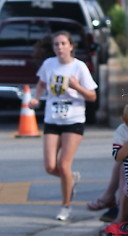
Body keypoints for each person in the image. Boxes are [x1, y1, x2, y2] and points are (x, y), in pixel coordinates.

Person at [29, 30, 97, 222]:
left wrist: (77, 87)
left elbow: (92, 96)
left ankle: (65, 207)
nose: (59, 48)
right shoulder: (49, 64)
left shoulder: (79, 67)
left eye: (63, 44)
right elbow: (42, 83)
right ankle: (71, 179)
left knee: (63, 165)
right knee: (50, 167)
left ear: (71, 46)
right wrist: (36, 98)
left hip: (73, 120)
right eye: (56, 44)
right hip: (52, 118)